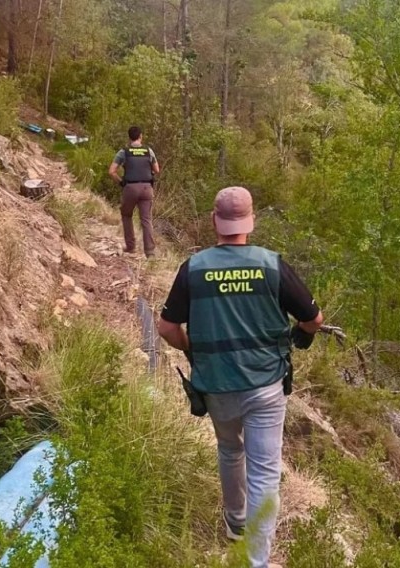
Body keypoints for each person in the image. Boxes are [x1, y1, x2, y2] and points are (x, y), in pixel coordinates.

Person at [157, 186, 324, 568]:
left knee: (231, 449)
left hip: (215, 385)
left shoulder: (193, 269)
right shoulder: (271, 264)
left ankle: (235, 525)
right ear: (251, 222)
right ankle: (255, 562)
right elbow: (313, 319)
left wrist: (192, 349)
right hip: (265, 386)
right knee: (265, 472)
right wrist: (304, 336)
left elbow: (166, 328)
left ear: (215, 220)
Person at [108, 126, 160, 258]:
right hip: (147, 188)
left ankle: (130, 246)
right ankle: (150, 252)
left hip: (130, 188)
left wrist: (121, 182)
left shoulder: (123, 152)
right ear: (141, 136)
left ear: (129, 138)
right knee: (146, 219)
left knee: (126, 215)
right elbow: (157, 170)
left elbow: (111, 171)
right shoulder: (148, 151)